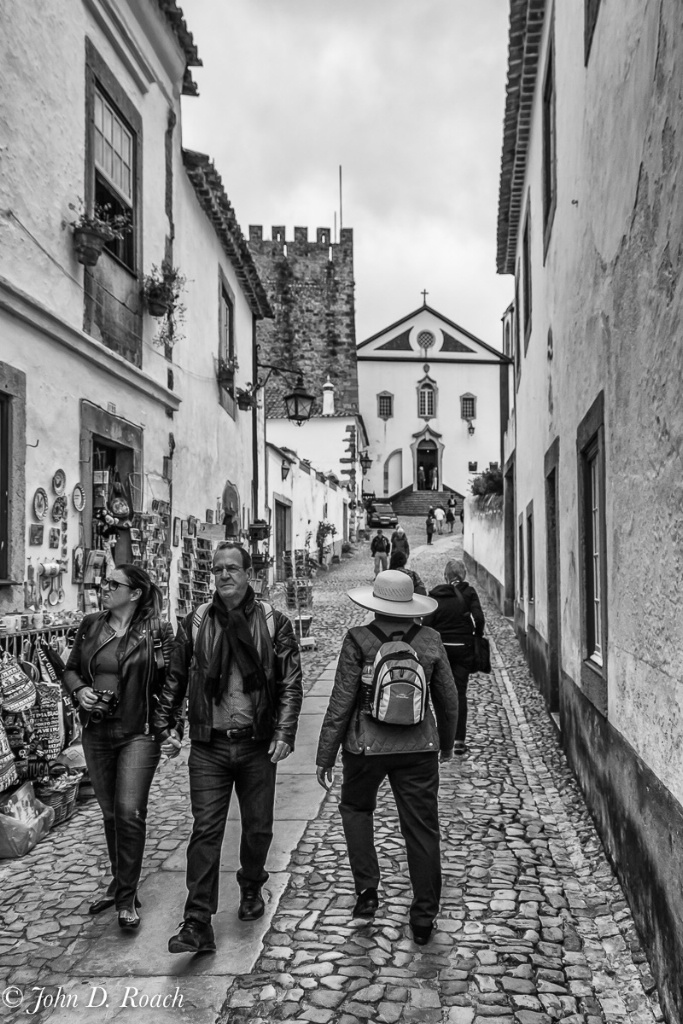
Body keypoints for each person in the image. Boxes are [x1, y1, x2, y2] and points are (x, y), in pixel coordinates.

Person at [155, 543, 303, 955]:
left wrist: (284, 732)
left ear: (248, 573)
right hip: (210, 745)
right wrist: (167, 726)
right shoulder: (197, 621)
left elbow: (290, 682)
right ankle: (197, 921)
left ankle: (251, 884)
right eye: (217, 569)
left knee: (258, 827)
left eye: (232, 568)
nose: (223, 576)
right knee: (205, 831)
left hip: (256, 743)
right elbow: (176, 677)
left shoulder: (274, 622)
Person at [315, 570, 458, 946]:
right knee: (422, 829)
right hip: (418, 749)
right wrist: (445, 744)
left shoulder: (358, 639)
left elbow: (342, 700)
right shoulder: (430, 640)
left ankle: (367, 892)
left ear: (374, 602)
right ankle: (424, 916)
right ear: (412, 604)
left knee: (356, 810)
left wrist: (325, 754)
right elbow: (449, 698)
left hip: (365, 748)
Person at [63, 564, 174, 930]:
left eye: (114, 583)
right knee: (110, 813)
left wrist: (168, 726)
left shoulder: (156, 631)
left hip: (138, 732)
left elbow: (173, 682)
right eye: (105, 581)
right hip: (97, 731)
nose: (105, 587)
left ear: (136, 592)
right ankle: (119, 883)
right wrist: (81, 691)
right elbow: (71, 669)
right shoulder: (92, 624)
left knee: (129, 812)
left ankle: (126, 898)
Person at [423, 559, 485, 756]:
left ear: (446, 576)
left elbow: (427, 624)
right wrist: (476, 636)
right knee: (459, 693)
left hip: (442, 650)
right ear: (463, 575)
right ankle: (458, 741)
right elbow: (480, 618)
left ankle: (443, 739)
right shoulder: (469, 592)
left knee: (441, 693)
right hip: (463, 649)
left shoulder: (436, 595)